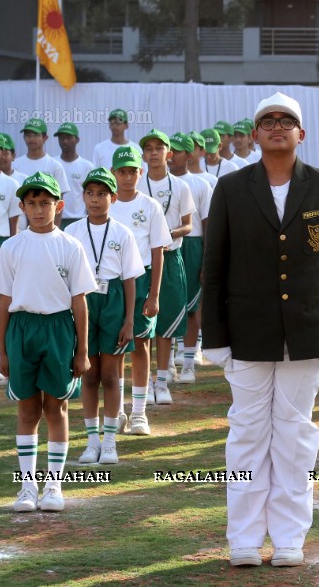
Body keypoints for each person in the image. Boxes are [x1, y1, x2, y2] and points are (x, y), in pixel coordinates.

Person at [202, 92, 319, 568]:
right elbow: (215, 265)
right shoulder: (230, 187)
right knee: (246, 434)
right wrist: (216, 337)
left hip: (307, 333)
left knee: (294, 437)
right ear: (254, 134)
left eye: (287, 120)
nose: (277, 126)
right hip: (247, 332)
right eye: (268, 120)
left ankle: (289, 538)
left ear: (301, 133)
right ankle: (243, 539)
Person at [0, 172, 96, 512]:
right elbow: (4, 302)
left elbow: (79, 301)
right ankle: (27, 487)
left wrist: (82, 349)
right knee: (26, 408)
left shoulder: (70, 245)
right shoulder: (11, 247)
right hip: (22, 329)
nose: (39, 210)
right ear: (21, 206)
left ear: (60, 206)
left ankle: (54, 486)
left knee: (56, 406)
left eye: (46, 203)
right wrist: (3, 350)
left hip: (58, 329)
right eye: (32, 204)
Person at [65, 168, 143, 466]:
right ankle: (92, 441)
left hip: (112, 303)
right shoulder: (72, 232)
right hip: (82, 301)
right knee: (89, 373)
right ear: (83, 196)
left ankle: (110, 441)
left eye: (101, 194)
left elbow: (130, 280)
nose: (95, 200)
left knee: (110, 375)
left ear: (113, 198)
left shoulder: (123, 233)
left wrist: (129, 320)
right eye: (89, 193)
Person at [108, 147, 170, 436]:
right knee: (117, 346)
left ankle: (139, 413)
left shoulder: (150, 206)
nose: (127, 176)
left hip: (143, 279)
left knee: (142, 344)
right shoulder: (105, 205)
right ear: (113, 173)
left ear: (140, 173)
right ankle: (117, 410)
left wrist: (154, 294)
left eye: (132, 171)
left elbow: (158, 252)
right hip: (114, 284)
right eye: (122, 171)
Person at [140, 131, 194, 406]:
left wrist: (165, 234)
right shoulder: (135, 185)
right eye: (148, 148)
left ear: (169, 153)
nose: (153, 152)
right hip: (141, 262)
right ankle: (145, 382)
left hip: (171, 258)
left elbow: (188, 225)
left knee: (165, 322)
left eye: (159, 147)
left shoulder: (181, 186)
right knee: (143, 325)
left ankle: (162, 382)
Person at [168, 134, 212, 383]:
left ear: (189, 155)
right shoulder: (159, 183)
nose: (172, 156)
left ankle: (187, 364)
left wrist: (206, 261)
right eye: (170, 151)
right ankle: (168, 362)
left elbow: (207, 224)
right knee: (168, 303)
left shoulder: (200, 185)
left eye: (178, 150)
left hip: (192, 244)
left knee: (192, 306)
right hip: (168, 246)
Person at [0, 132, 22, 384]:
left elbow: (14, 223)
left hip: (0, 243)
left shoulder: (10, 185)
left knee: (0, 299)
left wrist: (11, 248)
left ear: (3, 153)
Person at [15, 118, 70, 227]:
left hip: (46, 226)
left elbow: (59, 199)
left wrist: (56, 228)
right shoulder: (15, 165)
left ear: (45, 137)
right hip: (20, 228)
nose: (31, 139)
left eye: (35, 135)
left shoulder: (55, 166)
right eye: (28, 135)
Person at [55, 122, 95, 230]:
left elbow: (91, 194)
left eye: (68, 137)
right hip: (57, 219)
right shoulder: (54, 164)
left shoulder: (87, 167)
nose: (65, 141)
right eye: (61, 138)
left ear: (77, 139)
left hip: (80, 219)